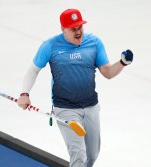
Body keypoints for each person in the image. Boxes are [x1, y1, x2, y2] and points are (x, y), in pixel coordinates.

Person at [17, 9, 133, 167]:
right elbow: (33, 70)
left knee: (92, 155)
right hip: (65, 108)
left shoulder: (94, 43)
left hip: (91, 106)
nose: (78, 32)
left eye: (80, 27)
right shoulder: (50, 46)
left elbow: (107, 72)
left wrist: (122, 63)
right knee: (78, 155)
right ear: (63, 29)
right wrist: (24, 93)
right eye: (73, 29)